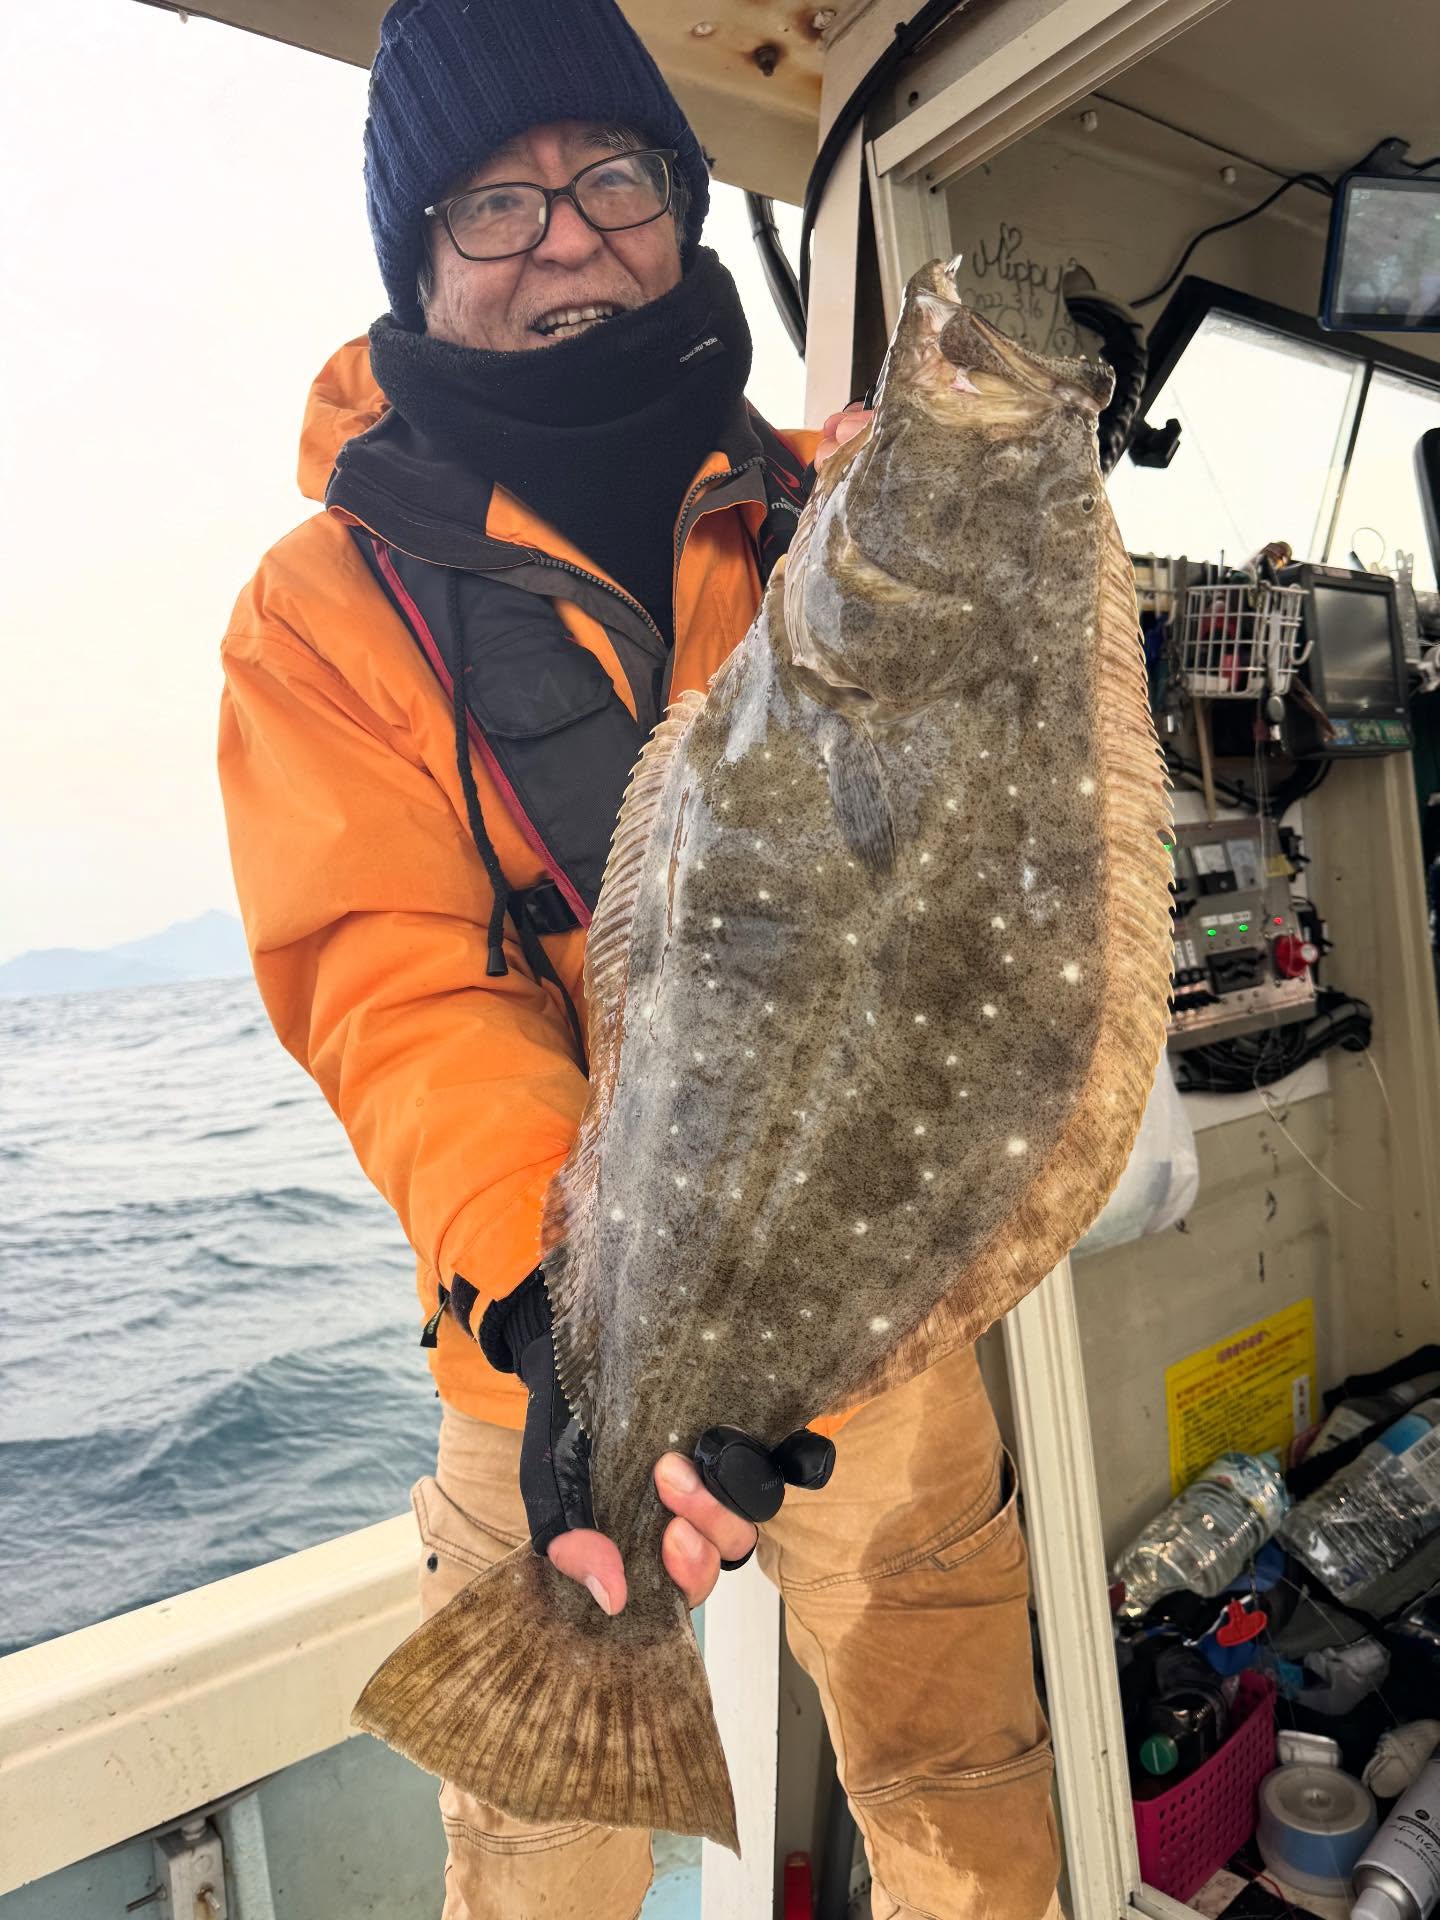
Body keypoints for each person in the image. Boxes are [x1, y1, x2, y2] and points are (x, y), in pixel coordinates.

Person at [218, 1, 1059, 1915]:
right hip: (544, 1354)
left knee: (966, 1791)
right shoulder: (322, 610)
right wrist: (557, 1319)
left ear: (678, 209)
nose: (567, 241)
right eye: (493, 205)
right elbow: (396, 986)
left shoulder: (842, 510)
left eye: (609, 178)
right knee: (543, 1853)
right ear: (420, 263)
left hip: (877, 1321)